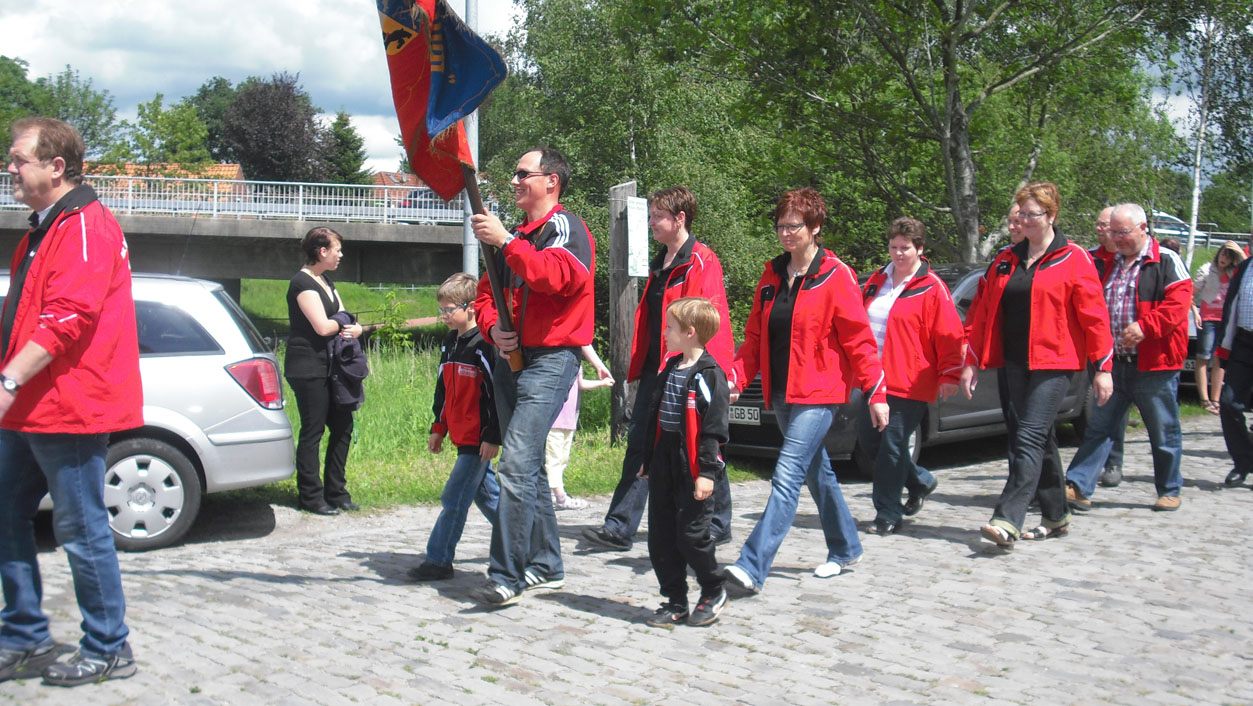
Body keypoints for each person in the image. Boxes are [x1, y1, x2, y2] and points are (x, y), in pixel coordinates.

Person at [0, 117, 142, 686]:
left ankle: (109, 646)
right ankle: (25, 636)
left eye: (19, 159)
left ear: (56, 166)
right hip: (30, 408)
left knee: (81, 530)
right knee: (6, 513)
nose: (10, 168)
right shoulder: (43, 229)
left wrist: (8, 381)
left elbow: (67, 318)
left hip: (69, 407)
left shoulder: (85, 226)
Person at [723, 187, 887, 593]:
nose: (785, 233)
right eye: (780, 225)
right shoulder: (772, 274)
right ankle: (845, 546)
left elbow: (859, 341)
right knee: (818, 472)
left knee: (787, 474)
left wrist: (876, 392)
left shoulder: (836, 275)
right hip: (780, 392)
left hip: (820, 392)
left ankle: (751, 566)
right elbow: (755, 336)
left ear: (815, 227)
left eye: (793, 225)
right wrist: (736, 377)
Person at [470, 147, 595, 607]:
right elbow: (485, 298)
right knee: (530, 469)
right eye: (515, 174)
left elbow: (557, 277)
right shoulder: (516, 236)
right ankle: (546, 565)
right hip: (512, 359)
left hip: (553, 359)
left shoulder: (567, 228)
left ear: (551, 181)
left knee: (516, 464)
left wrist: (506, 241)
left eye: (523, 174)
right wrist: (492, 329)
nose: (515, 181)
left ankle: (507, 574)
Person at [583, 185, 739, 552]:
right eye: (650, 216)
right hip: (658, 370)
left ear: (680, 219)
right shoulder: (661, 262)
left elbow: (711, 321)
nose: (651, 223)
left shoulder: (701, 260)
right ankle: (620, 526)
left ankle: (718, 522)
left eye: (658, 217)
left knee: (698, 443)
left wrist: (718, 377)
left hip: (688, 370)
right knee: (640, 442)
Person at [961, 182, 1113, 546]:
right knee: (1036, 439)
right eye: (1021, 214)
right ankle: (1056, 515)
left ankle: (1007, 518)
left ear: (1052, 215)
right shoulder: (1005, 260)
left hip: (1055, 363)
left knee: (1027, 436)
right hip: (1013, 362)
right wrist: (971, 361)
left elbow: (1095, 318)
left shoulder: (1073, 258)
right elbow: (982, 313)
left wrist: (1103, 368)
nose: (1025, 220)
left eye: (1033, 214)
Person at [1064, 203, 1192, 513]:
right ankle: (1078, 486)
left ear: (1143, 228)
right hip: (1112, 364)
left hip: (1155, 364)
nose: (1117, 238)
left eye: (1123, 232)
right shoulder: (1104, 262)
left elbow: (1178, 305)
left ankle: (1169, 489)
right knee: (1099, 427)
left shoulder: (1166, 260)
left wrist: (1146, 327)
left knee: (1163, 430)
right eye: (1113, 232)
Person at [858, 217, 964, 534]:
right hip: (872, 378)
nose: (899, 253)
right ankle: (920, 480)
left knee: (892, 446)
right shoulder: (878, 279)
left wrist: (950, 374)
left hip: (909, 380)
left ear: (919, 249)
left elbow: (949, 334)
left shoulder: (931, 287)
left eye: (905, 248)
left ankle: (887, 513)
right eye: (894, 247)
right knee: (871, 443)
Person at [642, 298, 730, 627]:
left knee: (691, 535)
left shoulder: (709, 375)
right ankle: (675, 599)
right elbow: (654, 417)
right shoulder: (669, 368)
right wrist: (647, 459)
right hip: (663, 460)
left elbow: (714, 430)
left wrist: (707, 472)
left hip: (693, 465)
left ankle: (713, 588)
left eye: (670, 328)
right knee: (661, 535)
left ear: (690, 333)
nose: (665, 333)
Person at [409, 273, 502, 582]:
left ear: (471, 307)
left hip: (478, 439)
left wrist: (492, 435)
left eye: (449, 309)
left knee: (453, 498)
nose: (444, 315)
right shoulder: (450, 342)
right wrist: (439, 427)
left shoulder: (485, 345)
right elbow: (443, 390)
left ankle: (438, 560)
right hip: (460, 435)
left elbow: (496, 395)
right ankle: (528, 543)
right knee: (490, 499)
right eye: (442, 309)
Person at [285, 226, 365, 516]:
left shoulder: (325, 281)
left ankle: (336, 492)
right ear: (322, 252)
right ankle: (310, 496)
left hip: (331, 366)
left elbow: (344, 317)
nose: (340, 255)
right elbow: (323, 326)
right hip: (307, 367)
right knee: (313, 430)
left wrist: (354, 327)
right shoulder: (302, 283)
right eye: (337, 250)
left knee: (343, 426)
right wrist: (344, 321)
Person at [1088, 206, 1128, 488]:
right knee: (1098, 404)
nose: (1100, 230)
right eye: (1099, 225)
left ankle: (1114, 460)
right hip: (1094, 341)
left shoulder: (1128, 258)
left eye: (1105, 226)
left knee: (1115, 404)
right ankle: (1093, 463)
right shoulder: (1090, 258)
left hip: (1122, 342)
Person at [546, 346, 613, 511]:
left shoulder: (576, 361)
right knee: (553, 458)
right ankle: (560, 497)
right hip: (554, 420)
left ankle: (552, 493)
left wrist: (602, 383)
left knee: (563, 459)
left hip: (569, 420)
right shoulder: (552, 360)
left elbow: (580, 384)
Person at [1193, 242, 1246, 414]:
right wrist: (1196, 313)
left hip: (1225, 320)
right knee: (1203, 356)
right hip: (1208, 319)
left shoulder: (1233, 272)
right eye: (1223, 254)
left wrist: (1238, 251)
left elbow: (1246, 266)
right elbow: (1191, 295)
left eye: (1229, 256)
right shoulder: (1207, 270)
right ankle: (1204, 399)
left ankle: (1215, 399)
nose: (1224, 259)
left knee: (1219, 358)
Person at [1215, 247, 1253, 486]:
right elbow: (1231, 307)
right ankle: (1243, 460)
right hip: (1244, 342)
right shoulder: (1244, 268)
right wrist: (1224, 344)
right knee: (1228, 402)